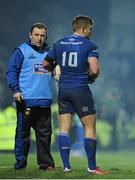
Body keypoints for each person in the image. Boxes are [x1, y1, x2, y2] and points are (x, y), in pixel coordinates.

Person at [43, 15, 107, 174]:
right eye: (90, 29)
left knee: (64, 129)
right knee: (90, 127)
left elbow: (45, 64)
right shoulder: (89, 45)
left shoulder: (59, 43)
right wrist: (92, 77)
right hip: (80, 89)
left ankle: (66, 166)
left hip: (63, 90)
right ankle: (92, 167)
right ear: (85, 28)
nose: (91, 32)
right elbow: (94, 69)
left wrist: (55, 71)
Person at [6, 23, 55, 170]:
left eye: (42, 35)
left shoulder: (51, 52)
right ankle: (21, 164)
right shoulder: (21, 51)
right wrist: (15, 90)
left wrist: (57, 71)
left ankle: (46, 165)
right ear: (30, 35)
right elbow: (11, 72)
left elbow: (56, 70)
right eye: (36, 35)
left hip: (45, 102)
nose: (39, 38)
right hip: (26, 101)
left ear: (46, 37)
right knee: (23, 135)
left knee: (44, 135)